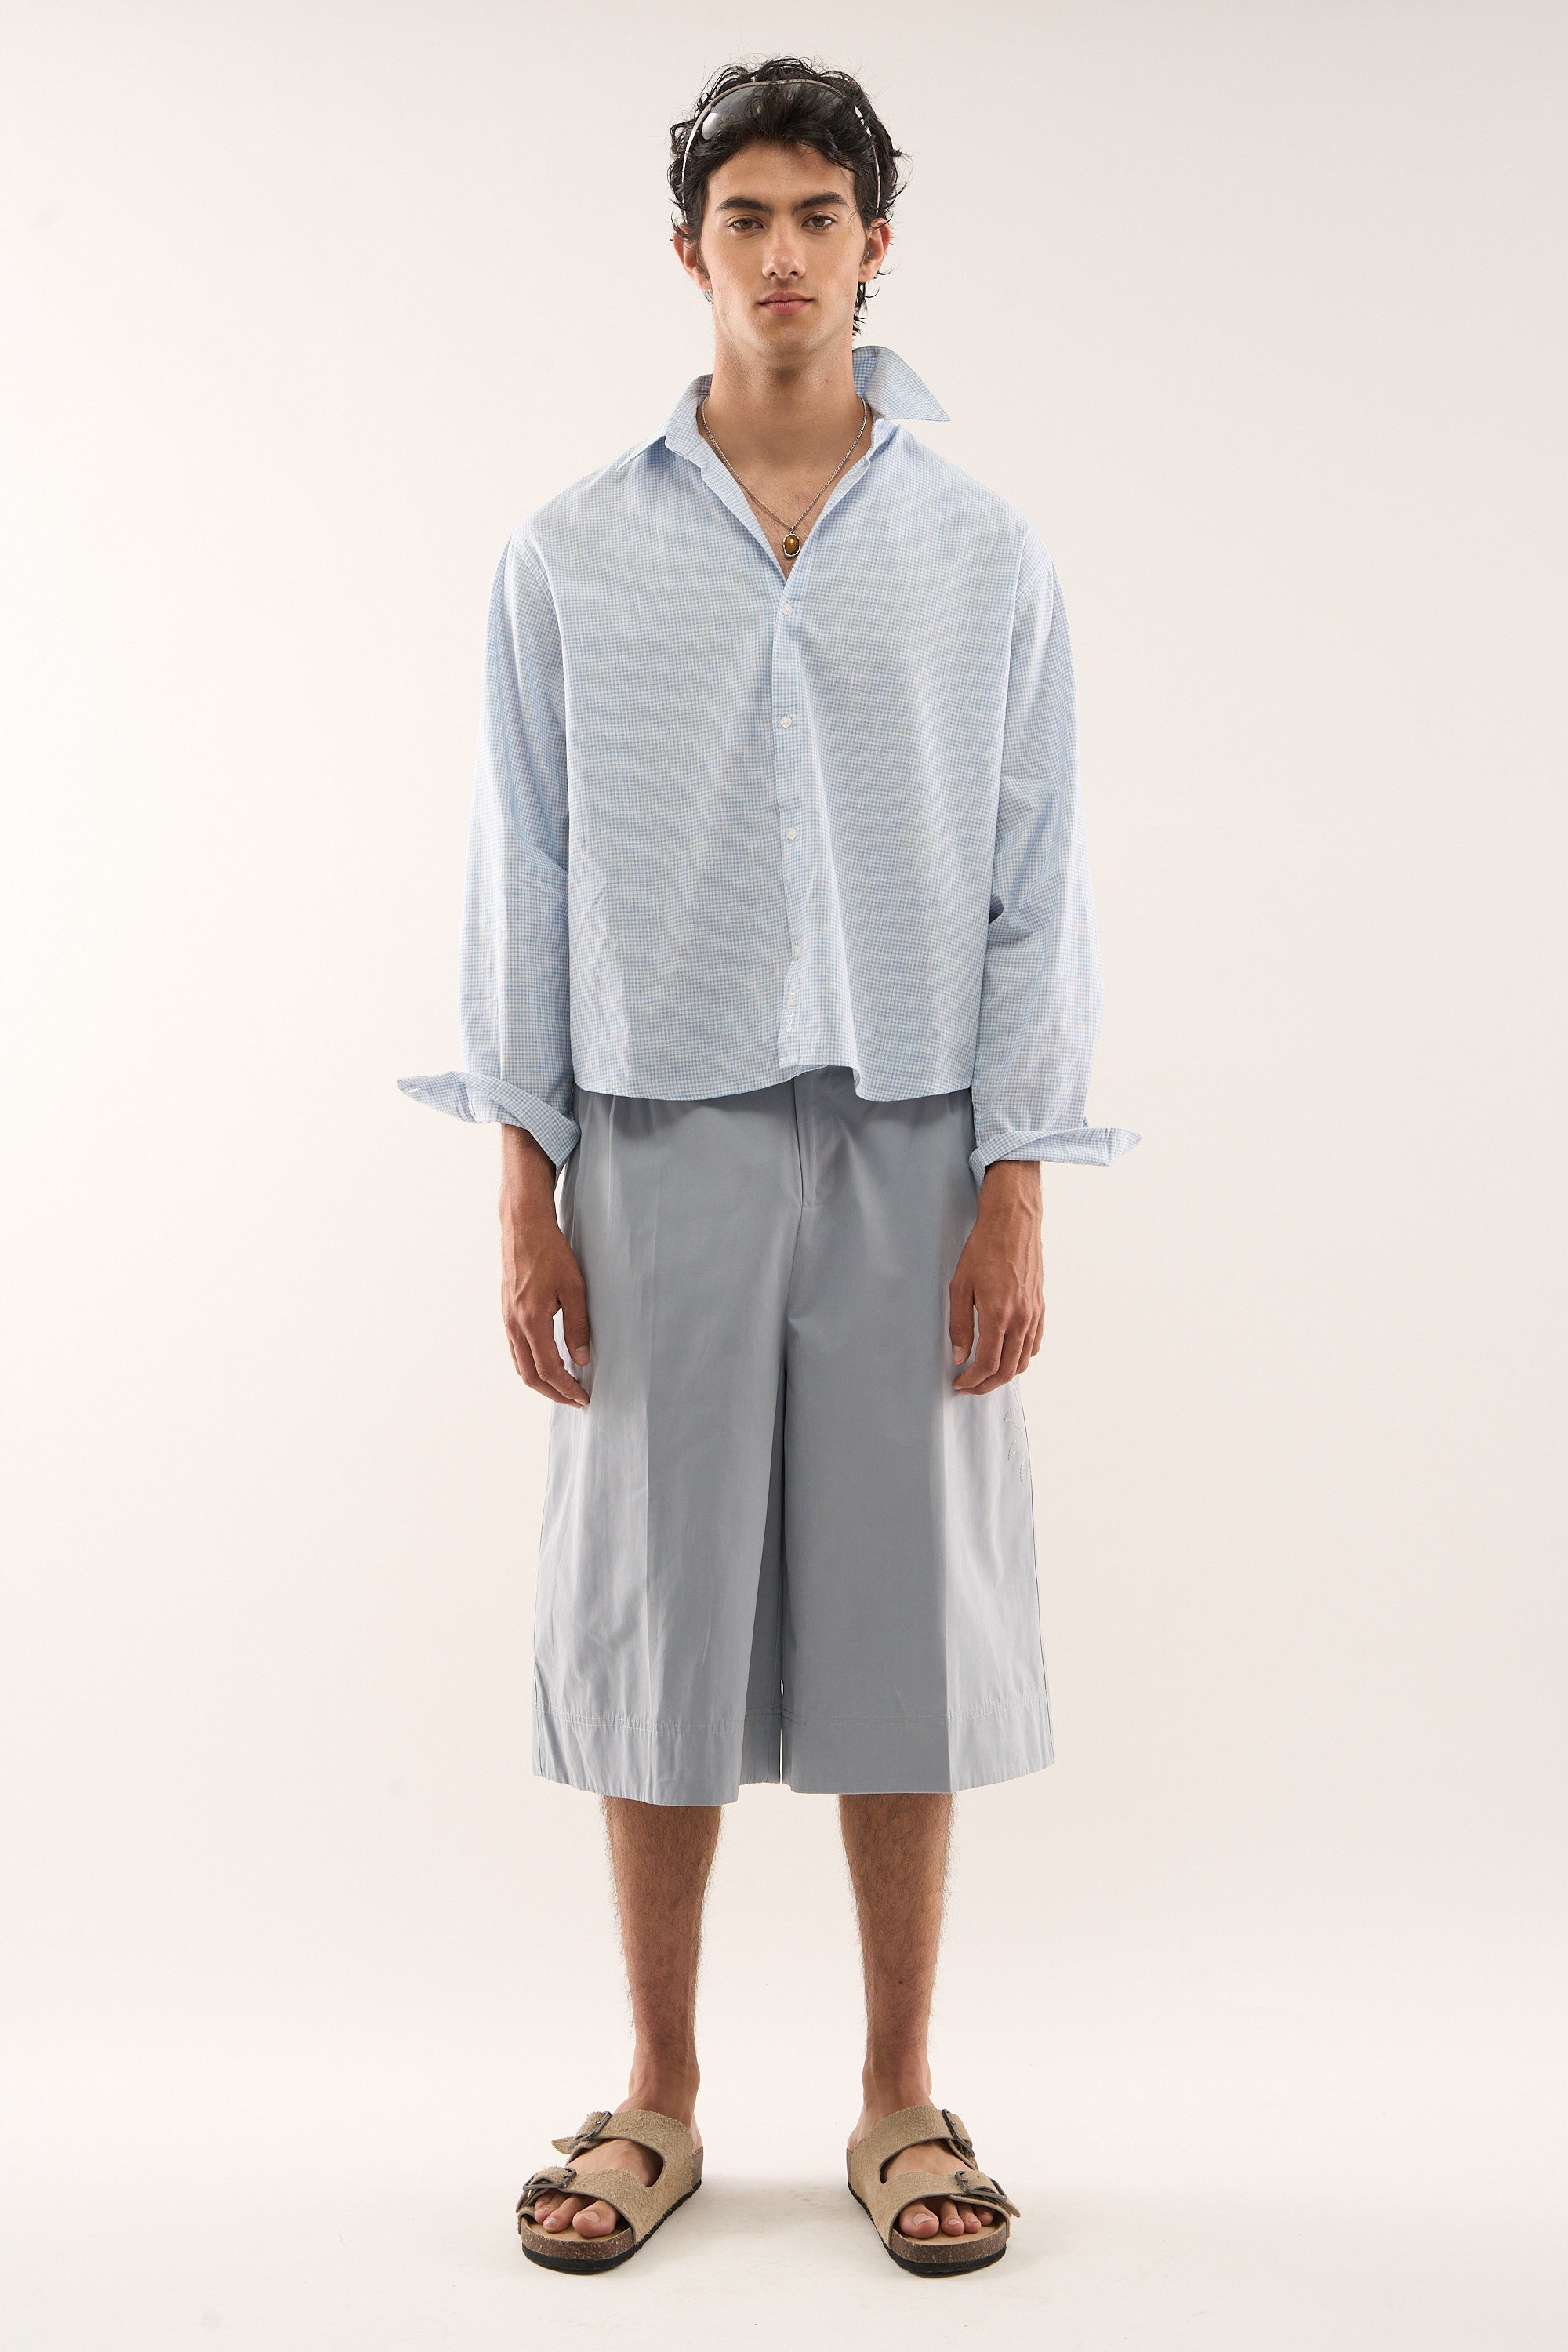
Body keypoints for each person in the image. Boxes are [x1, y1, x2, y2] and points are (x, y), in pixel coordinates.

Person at [398, 56, 1138, 2278]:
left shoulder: (983, 552)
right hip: (659, 1121)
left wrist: (1018, 1175)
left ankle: (902, 2093)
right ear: (691, 252)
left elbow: (1037, 884)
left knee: (905, 1605)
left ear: (876, 245)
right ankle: (658, 2092)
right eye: (750, 216)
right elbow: (522, 872)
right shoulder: (567, 554)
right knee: (659, 1604)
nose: (788, 252)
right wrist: (524, 1174)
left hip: (917, 1128)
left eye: (823, 213)